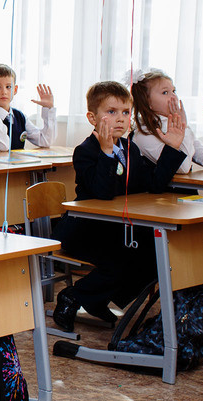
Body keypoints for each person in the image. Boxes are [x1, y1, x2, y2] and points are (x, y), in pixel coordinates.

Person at [52, 81, 186, 333]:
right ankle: (73, 296)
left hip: (118, 228)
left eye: (126, 112)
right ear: (92, 118)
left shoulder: (130, 148)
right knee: (121, 260)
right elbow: (102, 193)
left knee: (156, 257)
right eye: (111, 112)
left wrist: (172, 148)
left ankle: (97, 299)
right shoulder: (85, 151)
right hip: (85, 229)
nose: (121, 119)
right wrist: (106, 152)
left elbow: (153, 185)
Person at [130, 69, 203, 173]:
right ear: (147, 102)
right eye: (165, 92)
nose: (174, 97)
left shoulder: (175, 125)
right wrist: (183, 127)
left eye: (174, 91)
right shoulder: (144, 134)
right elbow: (183, 168)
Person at [0, 63, 55, 152]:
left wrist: (48, 109)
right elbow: (3, 147)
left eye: (8, 87)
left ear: (15, 90)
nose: (4, 92)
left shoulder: (20, 116)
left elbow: (45, 141)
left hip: (17, 161)